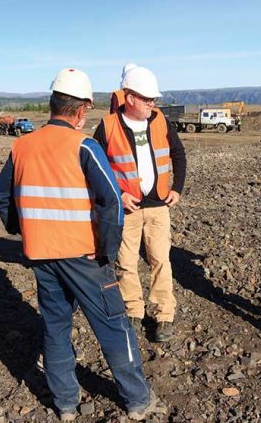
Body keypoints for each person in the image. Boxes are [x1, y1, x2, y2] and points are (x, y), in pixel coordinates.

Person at [0, 68, 166, 421]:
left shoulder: (22, 145)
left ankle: (66, 405)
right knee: (114, 325)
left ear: (53, 103)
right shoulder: (83, 145)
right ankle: (138, 400)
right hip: (85, 257)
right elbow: (112, 201)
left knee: (55, 328)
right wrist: (106, 250)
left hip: (41, 255)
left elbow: (1, 197)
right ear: (82, 109)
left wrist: (26, 231)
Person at [93, 66, 186, 342]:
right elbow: (96, 169)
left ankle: (164, 315)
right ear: (130, 97)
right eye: (147, 99)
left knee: (161, 260)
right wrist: (118, 195)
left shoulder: (160, 121)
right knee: (126, 263)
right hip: (127, 209)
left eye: (154, 99)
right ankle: (133, 310)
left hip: (158, 206)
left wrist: (177, 188)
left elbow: (178, 154)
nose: (152, 104)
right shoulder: (108, 126)